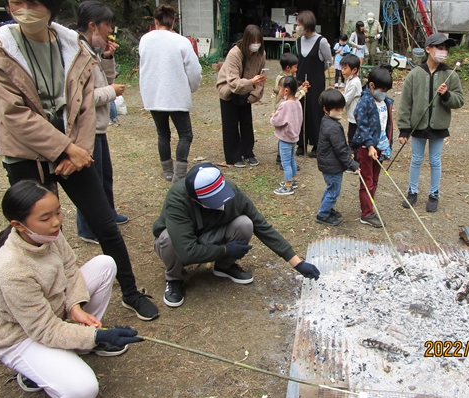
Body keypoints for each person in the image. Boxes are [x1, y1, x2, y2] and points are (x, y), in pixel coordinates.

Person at [0, 0, 158, 321]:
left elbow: (81, 106)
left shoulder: (70, 44)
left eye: (34, 1)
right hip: (27, 157)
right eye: (17, 1)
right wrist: (64, 148)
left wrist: (79, 151)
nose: (25, 10)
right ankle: (34, 307)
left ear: (51, 3)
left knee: (106, 224)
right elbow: (13, 113)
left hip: (75, 153)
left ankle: (130, 291)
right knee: (37, 233)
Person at [0, 180, 143, 398]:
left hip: (52, 311)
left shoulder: (49, 234)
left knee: (105, 264)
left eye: (57, 212)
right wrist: (97, 336)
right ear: (18, 225)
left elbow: (70, 269)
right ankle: (32, 370)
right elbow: (43, 328)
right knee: (83, 391)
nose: (56, 221)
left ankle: (75, 344)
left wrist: (75, 306)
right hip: (23, 336)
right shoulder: (10, 271)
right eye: (45, 218)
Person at [152, 162, 321, 307]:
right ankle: (174, 279)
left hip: (212, 234)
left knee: (245, 223)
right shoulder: (178, 200)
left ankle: (223, 267)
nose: (221, 205)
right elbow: (187, 252)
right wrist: (225, 250)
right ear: (195, 199)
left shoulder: (231, 190)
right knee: (167, 239)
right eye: (213, 201)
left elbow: (261, 225)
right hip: (184, 242)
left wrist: (297, 263)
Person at [74, 1, 128, 244]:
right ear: (93, 26)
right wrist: (111, 92)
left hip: (98, 127)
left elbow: (104, 80)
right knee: (89, 181)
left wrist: (107, 57)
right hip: (86, 128)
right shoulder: (77, 54)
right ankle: (87, 228)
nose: (110, 30)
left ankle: (107, 214)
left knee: (104, 175)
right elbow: (81, 97)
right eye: (107, 25)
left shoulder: (91, 52)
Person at [398, 33, 465, 213]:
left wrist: (447, 95)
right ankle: (412, 191)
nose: (443, 52)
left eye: (446, 49)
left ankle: (434, 194)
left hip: (438, 126)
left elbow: (459, 100)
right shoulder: (415, 74)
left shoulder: (450, 74)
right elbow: (405, 103)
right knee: (416, 159)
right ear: (428, 49)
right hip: (418, 126)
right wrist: (404, 129)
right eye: (439, 48)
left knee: (435, 161)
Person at [139, 4, 202, 182]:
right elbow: (194, 70)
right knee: (185, 134)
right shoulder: (181, 41)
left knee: (163, 133)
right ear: (173, 21)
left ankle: (167, 170)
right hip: (176, 94)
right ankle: (180, 173)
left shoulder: (145, 39)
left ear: (155, 21)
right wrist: (193, 86)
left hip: (153, 93)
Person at [216, 24, 267, 167]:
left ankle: (248, 152)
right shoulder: (234, 54)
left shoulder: (261, 54)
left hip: (247, 90)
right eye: (253, 42)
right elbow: (232, 82)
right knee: (230, 124)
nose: (255, 45)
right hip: (229, 90)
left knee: (246, 122)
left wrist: (253, 96)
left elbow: (261, 79)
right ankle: (234, 156)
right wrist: (251, 81)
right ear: (246, 41)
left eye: (258, 42)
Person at [351, 67, 394, 228]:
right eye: (382, 90)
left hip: (380, 147)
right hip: (366, 147)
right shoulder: (365, 102)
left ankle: (370, 206)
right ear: (371, 85)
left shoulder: (385, 102)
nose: (384, 93)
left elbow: (386, 126)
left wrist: (387, 146)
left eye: (386, 90)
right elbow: (361, 125)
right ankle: (366, 214)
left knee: (375, 179)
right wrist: (369, 145)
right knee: (367, 181)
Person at [316, 89, 360, 226]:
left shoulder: (327, 120)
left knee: (331, 188)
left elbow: (339, 145)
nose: (340, 111)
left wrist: (349, 150)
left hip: (328, 163)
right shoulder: (333, 127)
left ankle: (327, 208)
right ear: (326, 109)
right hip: (332, 166)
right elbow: (340, 151)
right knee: (334, 191)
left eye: (342, 107)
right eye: (337, 108)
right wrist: (353, 165)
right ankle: (322, 214)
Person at [295, 10, 332, 158]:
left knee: (315, 111)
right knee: (299, 109)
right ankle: (301, 143)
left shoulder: (321, 41)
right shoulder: (298, 40)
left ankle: (317, 144)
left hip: (316, 81)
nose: (297, 27)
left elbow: (329, 61)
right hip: (300, 80)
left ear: (307, 24)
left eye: (299, 24)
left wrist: (324, 77)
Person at [272, 53, 308, 169]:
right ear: (288, 68)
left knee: (284, 133)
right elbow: (293, 96)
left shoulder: (286, 78)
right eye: (295, 67)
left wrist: (302, 85)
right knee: (284, 135)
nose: (296, 69)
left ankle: (283, 158)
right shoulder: (283, 80)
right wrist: (302, 91)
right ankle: (283, 159)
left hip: (284, 108)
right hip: (283, 109)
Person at [271, 76, 303, 195]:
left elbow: (278, 121)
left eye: (279, 88)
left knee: (286, 163)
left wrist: (272, 116)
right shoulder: (297, 103)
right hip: (294, 137)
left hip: (285, 139)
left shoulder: (285, 105)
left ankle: (288, 186)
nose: (279, 91)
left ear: (286, 90)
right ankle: (294, 180)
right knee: (292, 160)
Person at [341, 53, 362, 151]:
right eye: (342, 68)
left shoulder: (354, 83)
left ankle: (356, 162)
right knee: (351, 138)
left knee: (353, 140)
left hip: (355, 117)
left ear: (354, 70)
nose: (342, 71)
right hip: (352, 116)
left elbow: (345, 100)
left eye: (345, 68)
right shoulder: (350, 80)